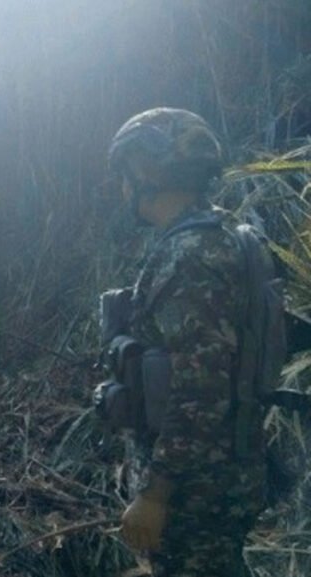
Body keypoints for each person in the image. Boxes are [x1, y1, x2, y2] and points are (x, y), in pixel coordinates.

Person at [105, 108, 266, 576]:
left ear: (145, 173)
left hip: (196, 492)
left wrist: (156, 494)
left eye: (125, 175)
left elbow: (200, 390)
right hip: (210, 480)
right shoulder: (210, 238)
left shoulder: (192, 256)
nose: (123, 188)